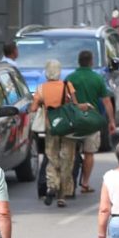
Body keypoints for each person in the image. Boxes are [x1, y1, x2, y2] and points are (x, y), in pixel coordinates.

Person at [29, 59, 81, 208]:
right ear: (59, 71)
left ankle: (52, 185)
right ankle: (62, 196)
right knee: (67, 159)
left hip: (50, 127)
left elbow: (33, 108)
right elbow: (75, 105)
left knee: (52, 158)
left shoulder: (40, 88)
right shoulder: (67, 85)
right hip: (67, 127)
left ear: (46, 72)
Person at [66, 50, 117, 193]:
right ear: (91, 62)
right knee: (89, 153)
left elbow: (66, 99)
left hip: (74, 121)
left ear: (79, 61)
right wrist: (111, 121)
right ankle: (85, 183)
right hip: (92, 121)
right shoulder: (97, 78)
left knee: (71, 152)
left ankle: (69, 183)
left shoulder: (70, 78)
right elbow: (107, 102)